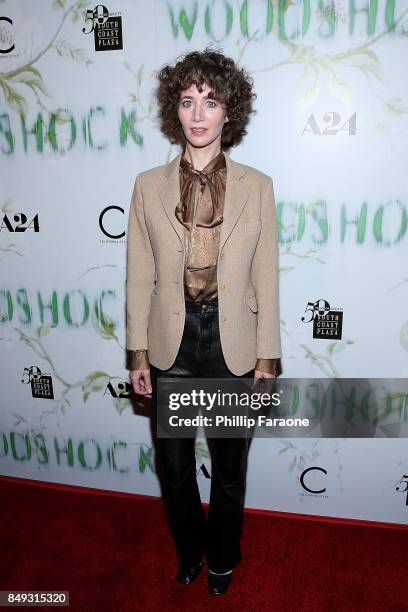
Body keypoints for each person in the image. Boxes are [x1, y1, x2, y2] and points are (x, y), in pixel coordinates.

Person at [126, 47, 282, 596]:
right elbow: (138, 275)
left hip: (230, 343)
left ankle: (223, 557)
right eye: (188, 101)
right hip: (171, 341)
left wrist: (268, 355)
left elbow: (267, 277)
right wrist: (138, 352)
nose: (198, 114)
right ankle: (190, 550)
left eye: (210, 101)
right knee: (173, 468)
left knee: (230, 466)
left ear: (227, 113)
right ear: (175, 109)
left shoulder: (258, 186)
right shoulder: (147, 185)